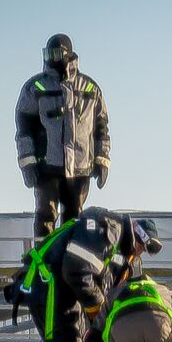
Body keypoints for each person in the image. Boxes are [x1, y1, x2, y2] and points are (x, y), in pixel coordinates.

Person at [3, 209, 160, 342]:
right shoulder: (108, 230)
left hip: (58, 288)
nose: (140, 252)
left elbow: (102, 287)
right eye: (142, 246)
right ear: (137, 235)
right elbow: (76, 271)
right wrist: (98, 313)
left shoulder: (117, 250)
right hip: (50, 286)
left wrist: (102, 322)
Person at [14, 34, 111, 243]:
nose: (53, 58)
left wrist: (102, 160)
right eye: (49, 53)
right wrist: (28, 163)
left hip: (80, 168)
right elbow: (23, 128)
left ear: (68, 54)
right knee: (45, 216)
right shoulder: (35, 88)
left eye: (57, 53)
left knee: (74, 220)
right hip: (47, 168)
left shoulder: (90, 88)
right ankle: (42, 266)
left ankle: (70, 267)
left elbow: (101, 127)